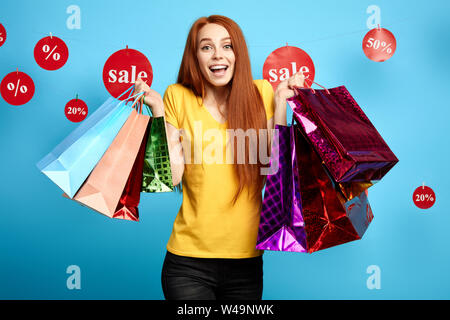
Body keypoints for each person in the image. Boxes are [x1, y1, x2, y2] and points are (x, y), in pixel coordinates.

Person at [135, 15, 304, 300]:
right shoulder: (177, 96)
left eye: (227, 46)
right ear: (195, 56)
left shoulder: (261, 92)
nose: (218, 55)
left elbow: (272, 170)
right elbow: (171, 177)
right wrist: (158, 112)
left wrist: (281, 107)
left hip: (246, 261)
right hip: (187, 262)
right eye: (206, 47)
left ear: (238, 54)